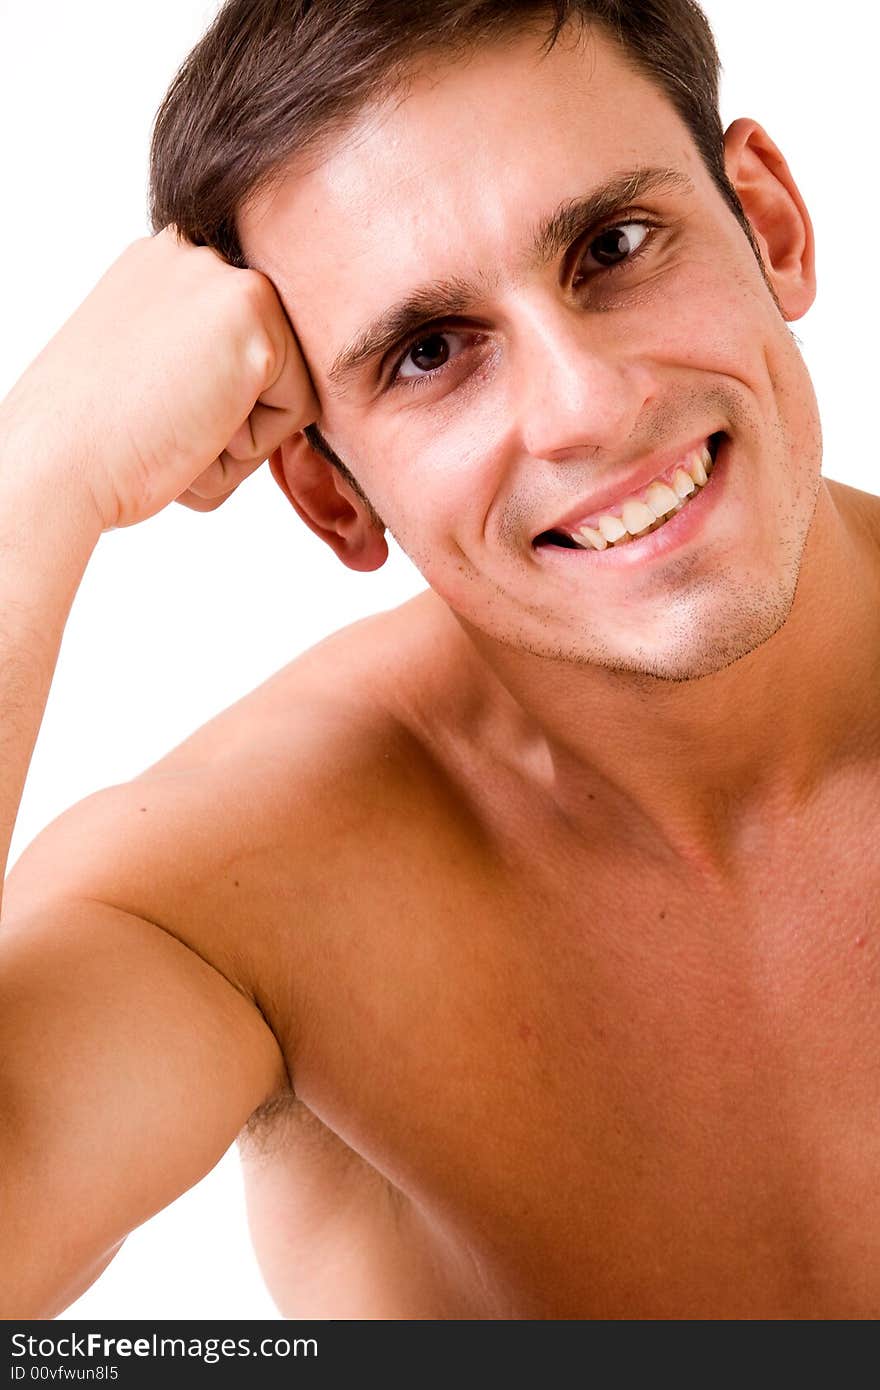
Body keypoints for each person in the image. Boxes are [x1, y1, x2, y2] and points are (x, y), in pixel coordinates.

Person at [1, 0, 878, 1320]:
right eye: (429, 352)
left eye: (615, 245)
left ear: (771, 224)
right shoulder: (227, 897)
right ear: (331, 495)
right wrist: (38, 473)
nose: (588, 404)